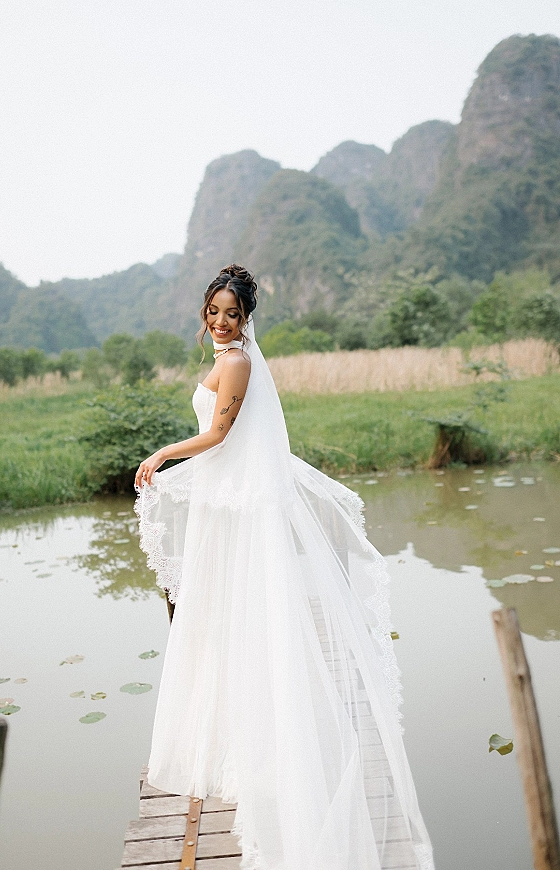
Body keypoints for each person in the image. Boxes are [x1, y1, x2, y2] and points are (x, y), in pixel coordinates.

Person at [134, 264, 434, 870]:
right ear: (204, 312)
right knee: (220, 623)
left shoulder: (240, 363)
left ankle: (273, 751)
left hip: (241, 508)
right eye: (213, 311)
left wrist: (164, 454)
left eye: (232, 314)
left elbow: (219, 434)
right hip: (225, 502)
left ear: (248, 319)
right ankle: (238, 743)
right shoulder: (227, 356)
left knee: (252, 621)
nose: (221, 322)